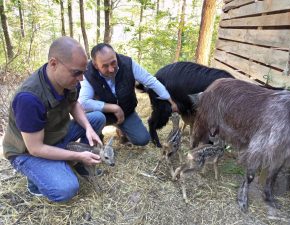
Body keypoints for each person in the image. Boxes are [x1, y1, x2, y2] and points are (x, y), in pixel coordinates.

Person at [2, 37, 105, 202]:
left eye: (83, 72)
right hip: (27, 151)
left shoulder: (71, 81)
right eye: (76, 73)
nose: (81, 79)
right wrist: (75, 156)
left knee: (97, 118)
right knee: (66, 189)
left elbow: (74, 104)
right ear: (53, 63)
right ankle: (36, 180)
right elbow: (35, 148)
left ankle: (78, 162)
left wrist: (88, 128)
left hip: (54, 135)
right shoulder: (29, 99)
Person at [79, 43, 178, 146]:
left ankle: (122, 130)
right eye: (105, 66)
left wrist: (171, 100)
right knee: (97, 119)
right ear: (95, 65)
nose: (111, 69)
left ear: (116, 56)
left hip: (126, 112)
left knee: (142, 139)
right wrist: (114, 108)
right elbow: (83, 102)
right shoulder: (87, 73)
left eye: (113, 63)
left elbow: (151, 81)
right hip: (102, 115)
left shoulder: (128, 64)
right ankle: (98, 134)